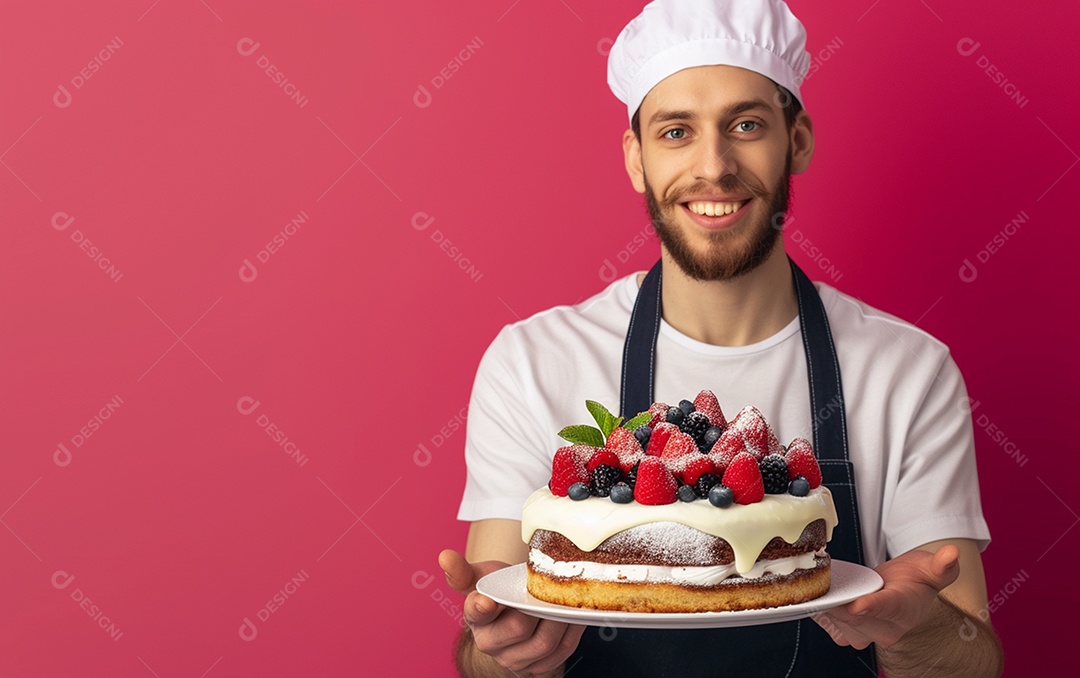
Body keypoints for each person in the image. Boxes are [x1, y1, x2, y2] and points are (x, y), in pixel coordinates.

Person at [439, 0, 1004, 675]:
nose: (714, 167)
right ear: (636, 158)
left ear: (796, 140)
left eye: (745, 124)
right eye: (676, 131)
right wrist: (501, 653)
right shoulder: (531, 363)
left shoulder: (908, 371)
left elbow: (969, 659)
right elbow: (489, 643)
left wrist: (916, 630)